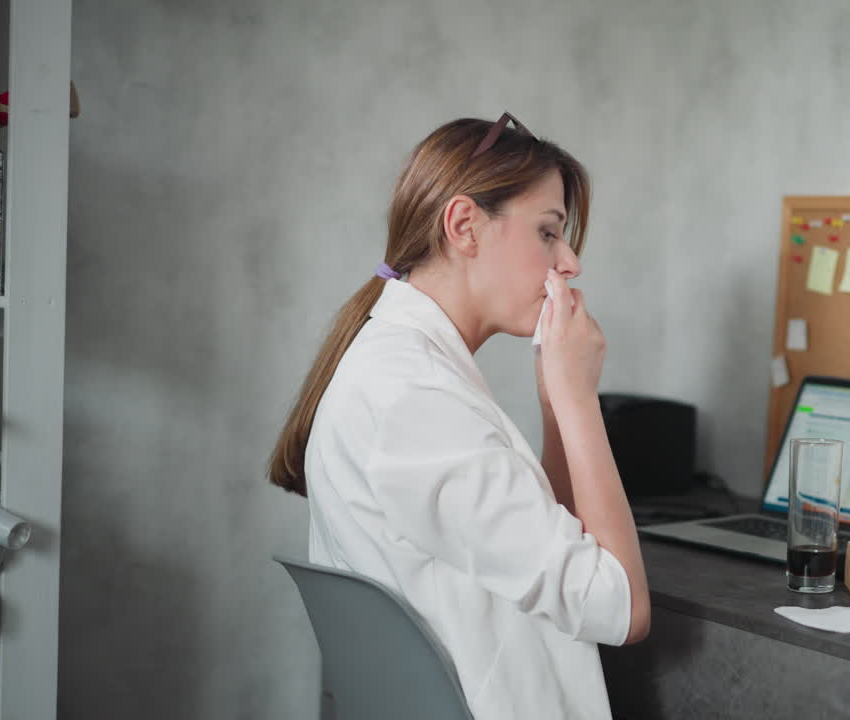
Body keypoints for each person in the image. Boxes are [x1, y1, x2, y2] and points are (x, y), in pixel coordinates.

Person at [267, 113, 650, 719]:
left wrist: (555, 400)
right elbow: (621, 608)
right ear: (465, 225)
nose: (570, 261)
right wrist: (579, 400)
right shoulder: (413, 397)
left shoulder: (403, 367)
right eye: (548, 233)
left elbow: (556, 539)